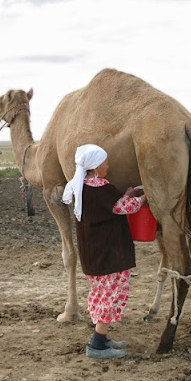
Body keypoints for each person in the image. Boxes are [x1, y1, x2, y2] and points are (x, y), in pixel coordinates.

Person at [62, 144, 146, 359]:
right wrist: (144, 198)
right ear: (97, 167)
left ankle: (101, 339)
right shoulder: (101, 187)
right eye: (106, 162)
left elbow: (110, 204)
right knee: (110, 296)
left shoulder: (82, 187)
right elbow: (122, 208)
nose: (109, 165)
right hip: (108, 254)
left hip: (93, 255)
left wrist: (124, 195)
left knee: (100, 295)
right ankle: (98, 345)